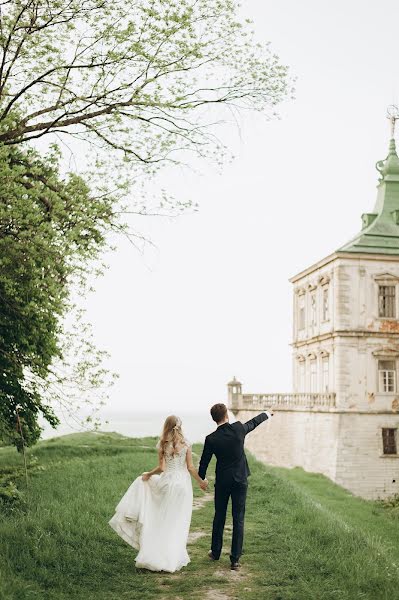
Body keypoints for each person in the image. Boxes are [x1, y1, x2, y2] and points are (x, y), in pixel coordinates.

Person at [108, 415, 207, 572]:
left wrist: (148, 474)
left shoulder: (162, 444)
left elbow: (161, 468)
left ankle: (155, 554)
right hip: (182, 486)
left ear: (166, 426)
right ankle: (172, 557)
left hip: (167, 483)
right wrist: (201, 481)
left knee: (162, 519)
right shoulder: (186, 443)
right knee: (178, 521)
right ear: (180, 426)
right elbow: (190, 468)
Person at [198, 403, 272, 570]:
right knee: (238, 518)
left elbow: (204, 461)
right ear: (227, 416)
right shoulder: (238, 428)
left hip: (223, 482)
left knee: (219, 516)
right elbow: (253, 423)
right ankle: (235, 560)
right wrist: (267, 413)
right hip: (240, 480)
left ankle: (215, 553)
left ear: (214, 419)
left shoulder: (211, 439)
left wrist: (202, 479)